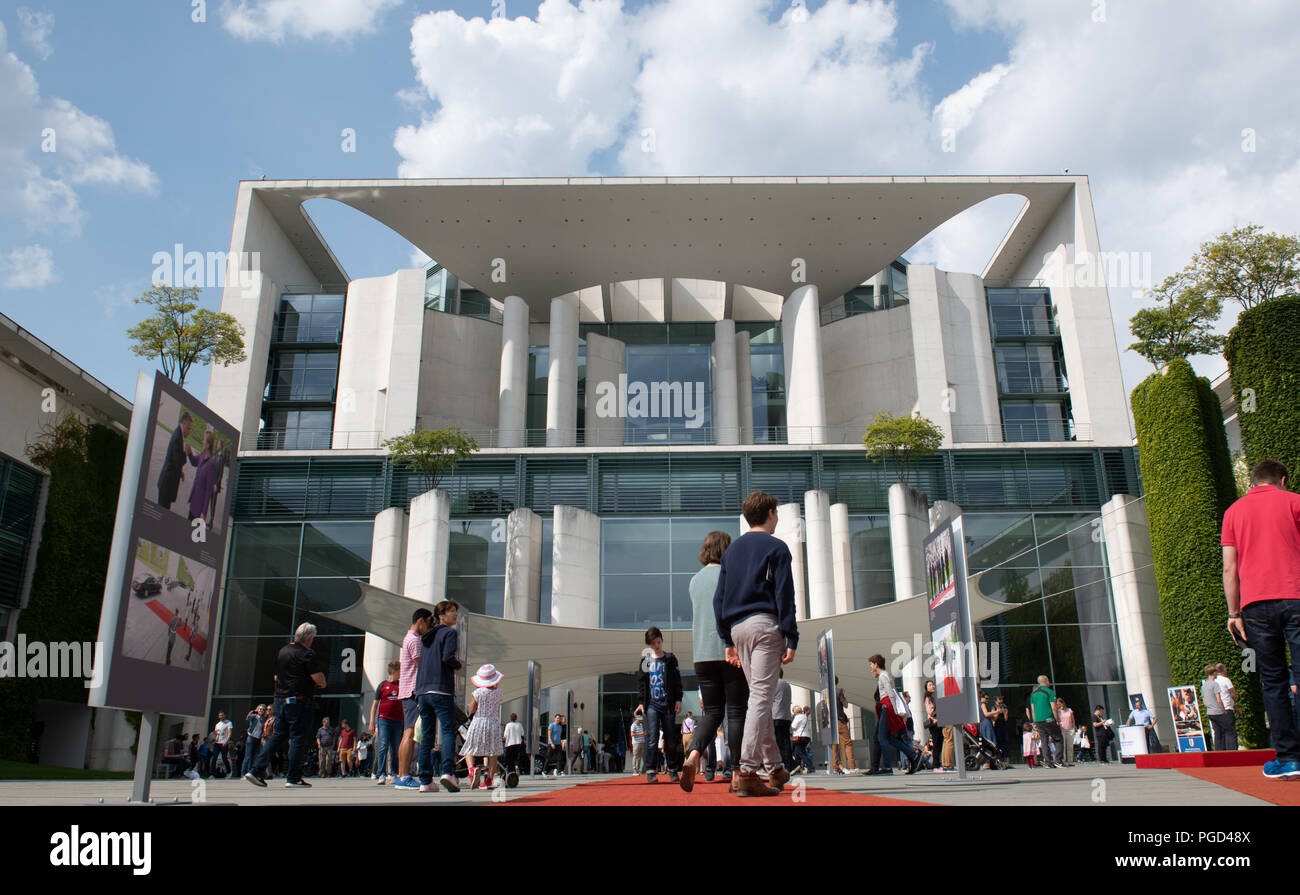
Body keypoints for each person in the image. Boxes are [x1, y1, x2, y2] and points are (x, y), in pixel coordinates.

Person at [713, 490, 798, 798]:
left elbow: (718, 600)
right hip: (765, 626)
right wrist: (791, 635)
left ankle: (775, 768)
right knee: (761, 699)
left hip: (738, 629)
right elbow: (784, 595)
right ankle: (747, 771)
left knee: (759, 697)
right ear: (771, 514)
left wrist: (727, 639)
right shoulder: (777, 548)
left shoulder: (731, 553)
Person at [1222, 459, 1300, 779]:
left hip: (1256, 607)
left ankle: (1289, 759)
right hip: (1297, 596)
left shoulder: (1233, 513)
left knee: (1273, 681)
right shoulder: (1295, 501)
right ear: (1282, 479)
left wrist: (1233, 613)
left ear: (1252, 482)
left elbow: (1229, 568)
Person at [679, 530, 749, 793]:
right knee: (735, 712)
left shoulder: (694, 581)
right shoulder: (731, 576)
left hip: (702, 656)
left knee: (711, 713)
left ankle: (694, 754)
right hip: (729, 651)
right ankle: (736, 773)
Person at [245, 622, 327, 788]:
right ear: (309, 638)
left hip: (280, 698)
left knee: (279, 735)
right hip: (298, 700)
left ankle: (256, 770)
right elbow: (319, 679)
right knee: (298, 737)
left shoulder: (283, 651)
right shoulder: (307, 654)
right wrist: (322, 683)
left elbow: (277, 676)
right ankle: (293, 777)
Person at [416, 600, 464, 793]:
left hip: (422, 691)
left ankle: (425, 781)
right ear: (441, 616)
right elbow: (447, 657)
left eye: (455, 611)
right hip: (441, 689)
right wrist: (458, 665)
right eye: (451, 611)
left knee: (427, 735)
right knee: (447, 730)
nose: (455, 615)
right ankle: (447, 772)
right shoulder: (450, 633)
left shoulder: (427, 637)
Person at [634, 625, 684, 784]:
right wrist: (641, 702)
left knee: (670, 738)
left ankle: (673, 769)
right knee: (652, 738)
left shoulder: (670, 659)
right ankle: (650, 770)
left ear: (662, 640)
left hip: (668, 704)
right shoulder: (646, 660)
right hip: (652, 705)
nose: (656, 646)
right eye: (653, 643)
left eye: (658, 642)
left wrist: (678, 699)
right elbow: (642, 683)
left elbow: (677, 680)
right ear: (649, 645)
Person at [394, 608, 433, 790]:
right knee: (409, 734)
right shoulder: (415, 640)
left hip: (407, 691)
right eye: (428, 623)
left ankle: (402, 775)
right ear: (420, 621)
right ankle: (404, 776)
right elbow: (422, 665)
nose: (429, 627)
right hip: (412, 692)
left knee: (407, 734)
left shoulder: (408, 638)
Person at [868, 654, 922, 774]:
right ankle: (913, 755)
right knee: (887, 738)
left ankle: (888, 766)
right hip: (887, 708)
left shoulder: (883, 676)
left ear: (876, 664)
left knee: (882, 738)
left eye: (871, 664)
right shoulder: (884, 676)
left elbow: (891, 693)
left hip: (887, 708)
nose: (870, 667)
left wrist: (896, 711)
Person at [461, 664, 505, 789]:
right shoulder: (499, 693)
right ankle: (489, 779)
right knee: (493, 752)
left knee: (469, 748)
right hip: (493, 723)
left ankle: (472, 770)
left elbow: (472, 708)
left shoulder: (477, 692)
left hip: (479, 722)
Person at [369, 661, 403, 784]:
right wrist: (372, 721)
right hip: (384, 719)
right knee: (383, 745)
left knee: (395, 747)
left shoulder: (401, 685)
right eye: (400, 671)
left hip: (398, 720)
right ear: (394, 671)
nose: (401, 673)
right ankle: (381, 773)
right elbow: (375, 704)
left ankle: (392, 772)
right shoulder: (382, 685)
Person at [155, 412, 195, 510]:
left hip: (167, 483)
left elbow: (174, 458)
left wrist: (180, 471)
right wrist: (186, 453)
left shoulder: (178, 434)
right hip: (167, 484)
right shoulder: (178, 437)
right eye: (188, 428)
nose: (189, 432)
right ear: (183, 424)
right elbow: (178, 461)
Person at [1026, 675, 1064, 769]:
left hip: (1039, 720)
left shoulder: (1033, 694)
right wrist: (1057, 719)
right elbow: (1054, 707)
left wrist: (1034, 722)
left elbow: (1033, 709)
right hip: (1049, 719)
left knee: (1044, 740)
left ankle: (1047, 762)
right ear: (1046, 681)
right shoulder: (1049, 692)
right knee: (1058, 738)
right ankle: (1058, 760)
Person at [187, 430, 221, 523]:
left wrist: (203, 513)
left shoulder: (211, 465)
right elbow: (194, 462)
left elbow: (208, 491)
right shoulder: (202, 456)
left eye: (204, 440)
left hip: (199, 509)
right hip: (193, 501)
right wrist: (189, 453)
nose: (202, 441)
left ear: (208, 445)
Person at [1202, 665, 1234, 751]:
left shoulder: (1204, 685)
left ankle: (1219, 751)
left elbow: (1204, 702)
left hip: (1210, 712)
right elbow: (1219, 700)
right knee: (1230, 731)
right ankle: (1232, 751)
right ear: (1214, 673)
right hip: (1218, 711)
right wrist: (1223, 710)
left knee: (1218, 733)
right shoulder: (1215, 684)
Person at [832, 677, 859, 775]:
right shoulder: (838, 691)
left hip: (830, 722)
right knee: (848, 743)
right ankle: (852, 767)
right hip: (840, 721)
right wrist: (843, 694)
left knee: (834, 745)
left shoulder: (825, 692)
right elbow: (845, 705)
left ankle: (835, 767)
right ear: (837, 682)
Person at [1214, 663, 1240, 751]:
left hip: (1214, 711)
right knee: (1230, 733)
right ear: (1223, 670)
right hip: (1226, 710)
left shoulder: (1210, 681)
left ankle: (1219, 755)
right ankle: (1233, 755)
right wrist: (1235, 697)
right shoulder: (1225, 680)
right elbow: (1233, 694)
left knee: (1218, 734)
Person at [774, 670, 794, 771]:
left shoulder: (775, 684)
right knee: (786, 742)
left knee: (775, 741)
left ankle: (776, 764)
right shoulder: (787, 685)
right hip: (786, 716)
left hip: (775, 716)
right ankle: (789, 765)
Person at [790, 705, 815, 774]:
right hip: (806, 736)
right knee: (797, 752)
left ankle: (810, 767)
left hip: (799, 737)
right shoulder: (804, 716)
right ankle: (797, 767)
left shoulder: (797, 717)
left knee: (800, 752)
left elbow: (793, 727)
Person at [502, 712, 526, 778]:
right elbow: (522, 733)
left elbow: (505, 735)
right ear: (516, 718)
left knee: (509, 759)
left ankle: (511, 771)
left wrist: (502, 738)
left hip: (510, 744)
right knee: (516, 758)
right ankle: (516, 766)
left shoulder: (508, 725)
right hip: (518, 743)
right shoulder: (519, 725)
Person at [211, 711, 233, 777]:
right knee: (214, 758)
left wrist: (226, 741)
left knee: (224, 758)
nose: (221, 716)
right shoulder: (217, 724)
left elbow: (229, 733)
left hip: (223, 742)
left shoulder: (228, 723)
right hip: (217, 743)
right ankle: (212, 773)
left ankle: (229, 772)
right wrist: (214, 739)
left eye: (222, 715)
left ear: (225, 715)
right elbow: (216, 733)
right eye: (220, 715)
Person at [1056, 698, 1076, 766]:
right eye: (1057, 704)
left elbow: (1073, 719)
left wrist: (1074, 727)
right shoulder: (1057, 712)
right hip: (1062, 729)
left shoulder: (1069, 710)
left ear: (1063, 703)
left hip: (1070, 729)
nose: (1059, 705)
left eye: (1060, 703)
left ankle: (1070, 761)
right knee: (1063, 746)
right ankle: (1063, 760)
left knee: (1070, 746)